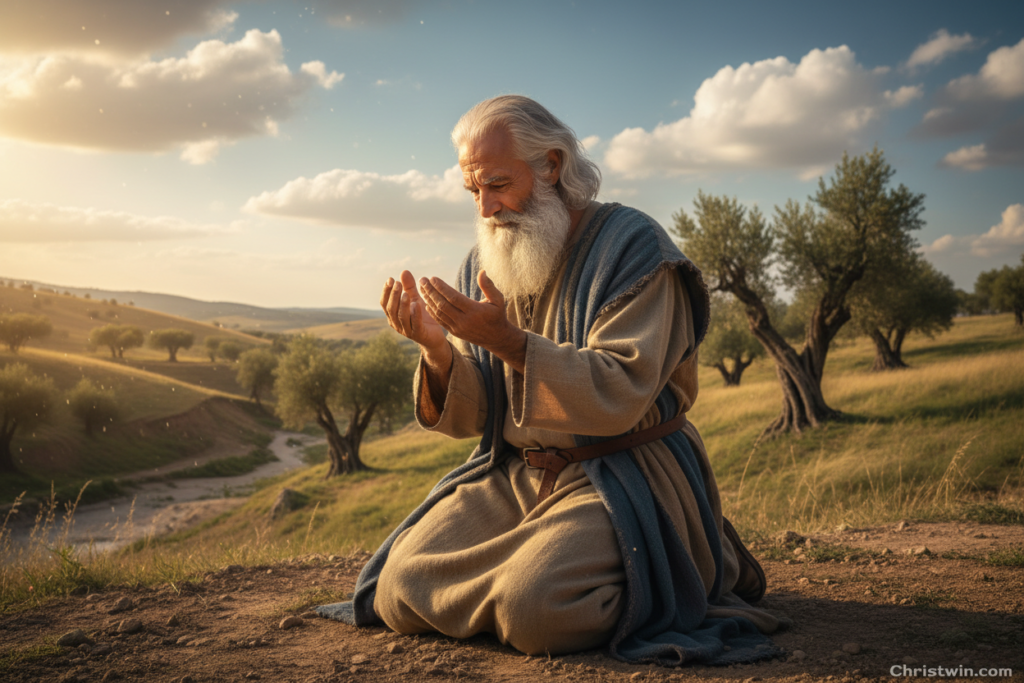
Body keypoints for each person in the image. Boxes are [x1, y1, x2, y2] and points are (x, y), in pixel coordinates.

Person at [317, 95, 786, 665]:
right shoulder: (483, 260)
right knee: (398, 588)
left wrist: (509, 343)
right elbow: (481, 414)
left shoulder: (633, 248)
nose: (486, 208)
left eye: (497, 184)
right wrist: (438, 351)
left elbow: (620, 392)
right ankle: (536, 566)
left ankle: (683, 558)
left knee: (533, 610)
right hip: (517, 474)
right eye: (474, 191)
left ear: (552, 166)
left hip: (622, 475)